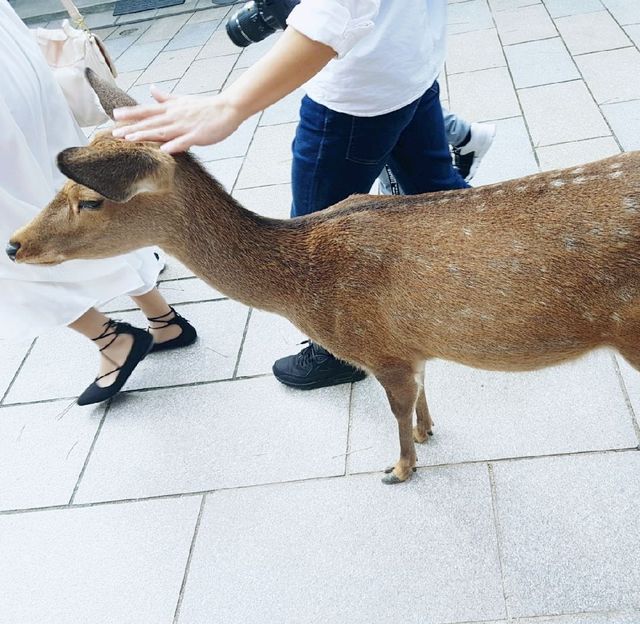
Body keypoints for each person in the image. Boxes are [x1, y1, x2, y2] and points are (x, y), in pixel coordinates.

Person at [112, 0, 474, 390]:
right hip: (410, 58)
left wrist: (229, 106)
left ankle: (336, 352)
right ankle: (483, 279)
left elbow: (331, 13)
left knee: (310, 244)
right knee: (437, 192)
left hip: (355, 93)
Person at [0, 0, 197, 406]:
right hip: (13, 60)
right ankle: (163, 320)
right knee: (72, 193)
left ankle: (112, 340)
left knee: (14, 241)